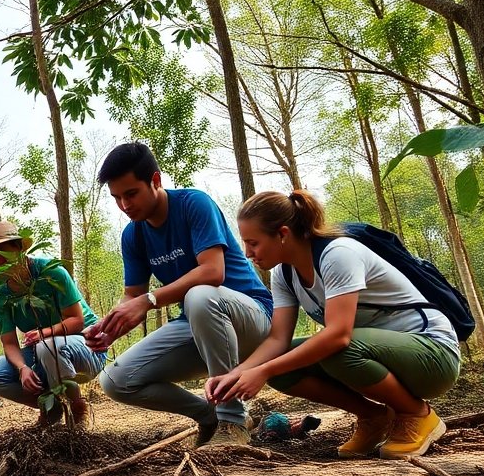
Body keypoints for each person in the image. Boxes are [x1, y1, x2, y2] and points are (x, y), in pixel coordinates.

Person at [206, 190, 460, 459]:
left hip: (434, 354)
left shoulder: (337, 254)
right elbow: (277, 340)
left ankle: (416, 414)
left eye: (253, 243)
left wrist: (263, 371)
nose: (247, 253)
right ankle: (373, 416)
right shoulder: (284, 273)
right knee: (282, 367)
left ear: (282, 234)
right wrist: (239, 372)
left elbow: (338, 335)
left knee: (337, 349)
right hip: (383, 356)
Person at [86, 142, 273, 447]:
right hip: (199, 326)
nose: (124, 205)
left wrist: (149, 301)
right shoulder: (133, 235)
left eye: (131, 193)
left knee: (200, 296)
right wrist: (112, 327)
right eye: (116, 198)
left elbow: (213, 272)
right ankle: (209, 416)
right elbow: (133, 294)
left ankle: (232, 420)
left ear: (155, 180)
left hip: (251, 318)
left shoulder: (193, 204)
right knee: (116, 381)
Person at [0, 222, 108, 426]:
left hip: (86, 346)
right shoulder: (0, 295)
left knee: (48, 347)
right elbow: (9, 343)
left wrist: (44, 333)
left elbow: (76, 320)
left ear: (18, 248)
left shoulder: (51, 272)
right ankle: (51, 408)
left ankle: (77, 406)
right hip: (43, 351)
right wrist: (22, 369)